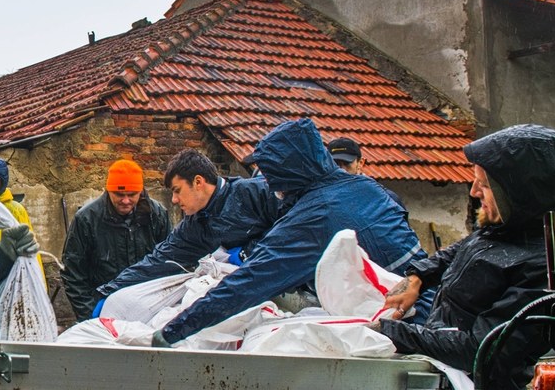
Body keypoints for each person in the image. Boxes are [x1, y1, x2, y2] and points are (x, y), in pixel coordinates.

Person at [152, 118, 427, 347]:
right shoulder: (365, 187)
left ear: (290, 172)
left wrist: (173, 331)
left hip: (400, 326)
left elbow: (249, 283)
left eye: (272, 178)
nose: (271, 187)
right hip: (429, 305)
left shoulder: (315, 215)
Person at [373, 124, 555, 390]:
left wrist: (389, 331)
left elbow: (481, 348)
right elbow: (465, 248)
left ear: (519, 192)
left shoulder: (549, 263)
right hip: (444, 380)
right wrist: (419, 277)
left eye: (484, 184)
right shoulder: (509, 224)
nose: (473, 191)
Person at [97, 150, 285, 299]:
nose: (174, 200)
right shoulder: (195, 226)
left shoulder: (253, 193)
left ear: (198, 182)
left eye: (177, 191)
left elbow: (298, 224)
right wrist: (110, 290)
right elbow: (158, 260)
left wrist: (249, 252)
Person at [61, 159, 172, 320]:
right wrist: (90, 315)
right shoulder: (86, 220)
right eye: (119, 194)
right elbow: (73, 273)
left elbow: (169, 262)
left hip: (148, 306)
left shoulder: (157, 215)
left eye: (132, 194)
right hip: (102, 308)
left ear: (141, 191)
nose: (126, 201)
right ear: (108, 190)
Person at [0, 157, 45, 285]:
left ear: (3, 181)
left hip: (6, 277)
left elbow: (28, 246)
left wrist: (39, 284)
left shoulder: (15, 210)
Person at [327, 136, 405, 208]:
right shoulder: (323, 198)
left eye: (347, 163)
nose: (342, 169)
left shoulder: (386, 199)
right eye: (336, 164)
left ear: (360, 163)